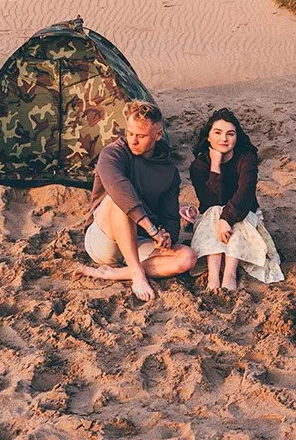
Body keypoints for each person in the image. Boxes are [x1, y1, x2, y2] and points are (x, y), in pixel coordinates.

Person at [75, 100, 196, 301]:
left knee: (187, 258)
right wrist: (152, 229)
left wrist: (167, 236)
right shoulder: (113, 153)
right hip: (104, 239)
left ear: (158, 135)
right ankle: (138, 274)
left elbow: (170, 218)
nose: (133, 140)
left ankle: (116, 273)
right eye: (130, 133)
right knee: (119, 200)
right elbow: (119, 188)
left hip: (140, 242)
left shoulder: (168, 172)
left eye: (141, 136)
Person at [184, 107, 283, 292]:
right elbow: (211, 200)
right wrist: (215, 166)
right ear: (208, 137)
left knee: (235, 222)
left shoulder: (246, 159)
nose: (224, 139)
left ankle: (229, 273)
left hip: (244, 212)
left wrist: (227, 219)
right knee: (214, 211)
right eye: (218, 133)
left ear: (237, 138)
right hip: (211, 216)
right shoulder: (198, 166)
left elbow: (245, 194)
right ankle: (214, 275)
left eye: (230, 134)